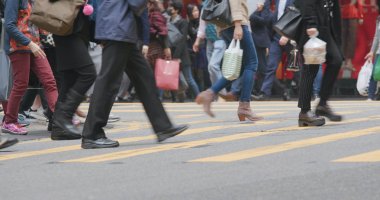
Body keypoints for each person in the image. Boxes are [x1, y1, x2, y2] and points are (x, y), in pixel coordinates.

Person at [81, 0, 188, 149]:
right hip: (118, 28)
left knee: (144, 78)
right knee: (108, 82)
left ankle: (163, 126)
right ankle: (92, 134)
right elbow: (136, 3)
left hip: (118, 27)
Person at [196, 0, 263, 121]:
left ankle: (210, 93)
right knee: (252, 63)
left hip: (224, 25)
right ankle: (244, 106)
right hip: (236, 23)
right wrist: (238, 25)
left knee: (241, 67)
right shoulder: (237, 23)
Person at [2, 0, 58, 135]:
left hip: (36, 45)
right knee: (21, 84)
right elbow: (9, 25)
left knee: (49, 80)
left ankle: (60, 118)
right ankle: (9, 122)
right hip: (18, 46)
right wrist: (29, 43)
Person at [50, 0, 97, 140]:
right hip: (67, 31)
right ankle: (63, 116)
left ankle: (58, 129)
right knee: (88, 74)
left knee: (69, 80)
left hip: (77, 31)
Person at [294, 0, 343, 127]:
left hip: (325, 26)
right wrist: (311, 23)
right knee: (310, 68)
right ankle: (304, 112)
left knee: (336, 60)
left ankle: (322, 104)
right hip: (311, 27)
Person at [253, 0, 294, 101]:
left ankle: (288, 91)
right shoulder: (273, 1)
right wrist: (259, 9)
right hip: (276, 36)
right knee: (271, 65)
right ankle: (264, 93)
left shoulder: (294, 1)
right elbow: (265, 19)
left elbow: (296, 17)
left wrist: (287, 35)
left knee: (293, 67)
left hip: (292, 36)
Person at [249, 0, 272, 97]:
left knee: (262, 68)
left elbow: (265, 20)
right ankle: (254, 90)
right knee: (254, 67)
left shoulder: (264, 4)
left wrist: (258, 11)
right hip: (252, 41)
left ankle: (259, 90)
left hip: (260, 42)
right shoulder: (252, 9)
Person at [365, 14, 380, 101]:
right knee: (375, 73)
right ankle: (370, 96)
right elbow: (376, 37)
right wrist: (371, 52)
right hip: (379, 52)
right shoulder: (379, 19)